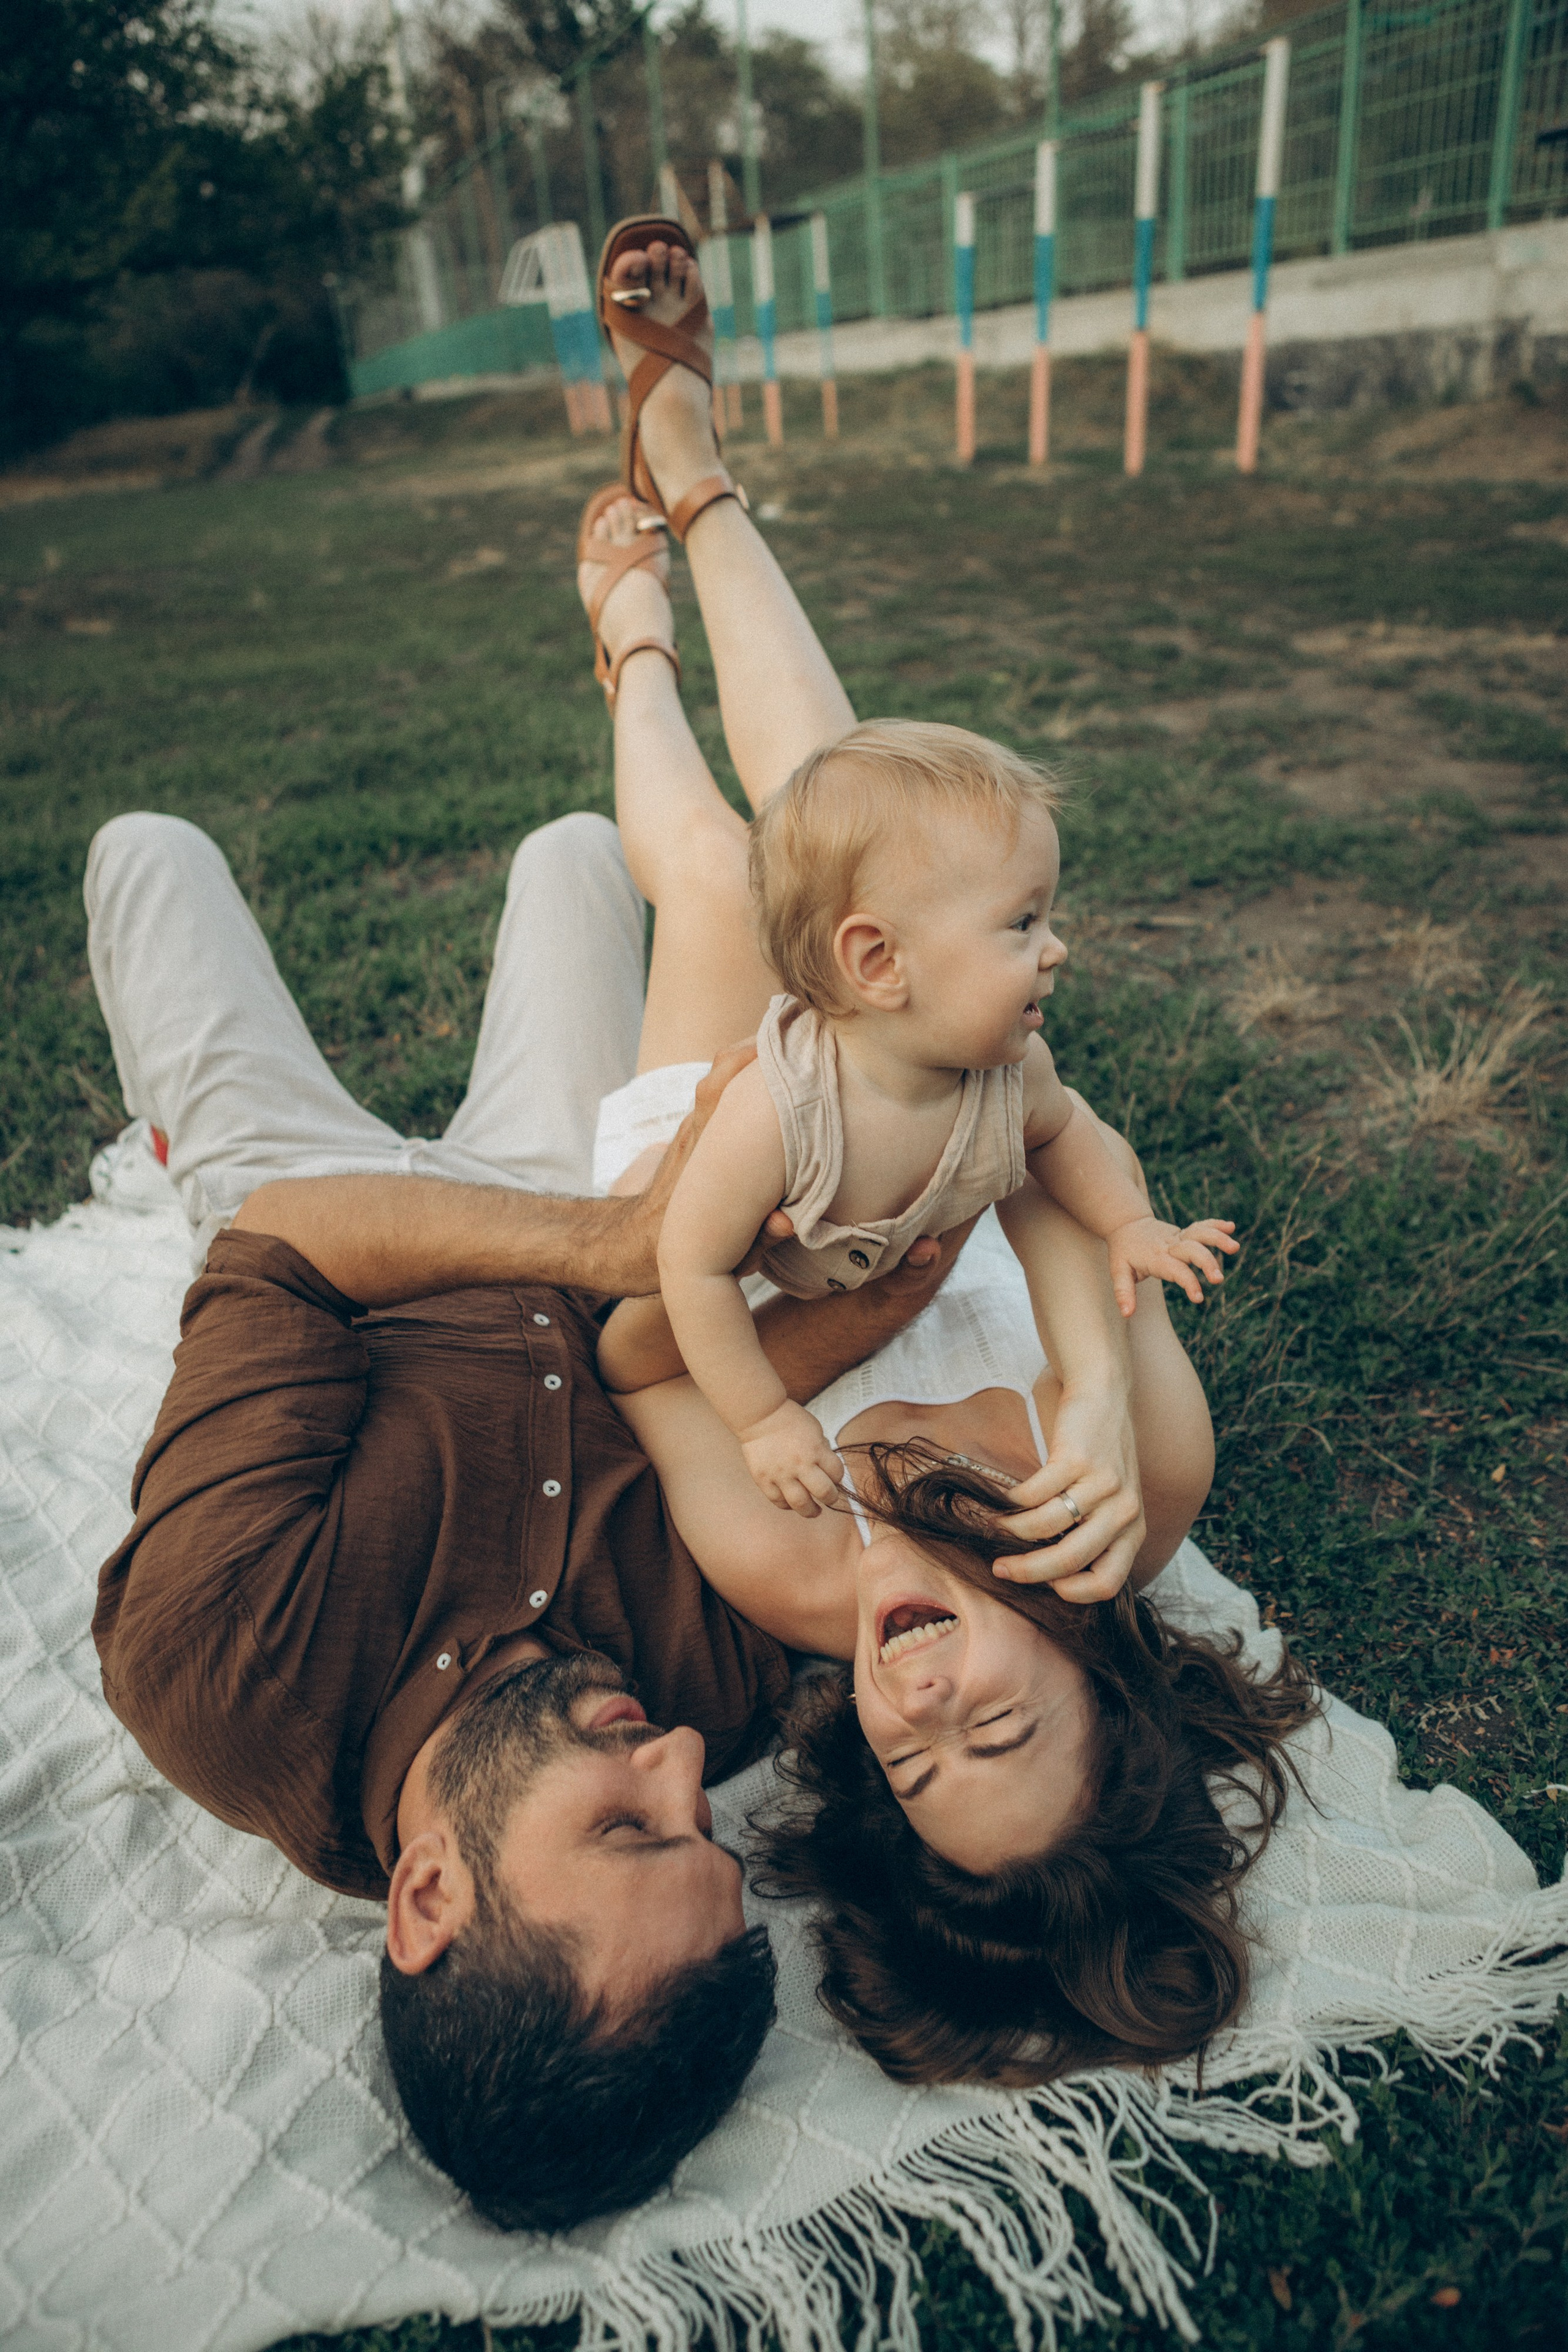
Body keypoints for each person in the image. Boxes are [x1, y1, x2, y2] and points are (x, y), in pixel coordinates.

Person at [579, 227, 1318, 2092]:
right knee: (830, 799)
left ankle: (633, 649)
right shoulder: (1135, 1494)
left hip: (722, 1207)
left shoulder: (785, 1562)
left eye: (910, 1764)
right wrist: (1090, 1382)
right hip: (923, 1148)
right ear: (1103, 1681)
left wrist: (810, 1366)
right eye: (997, 1732)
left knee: (706, 876)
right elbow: (1065, 1206)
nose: (920, 1705)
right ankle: (697, 468)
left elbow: (642, 1352)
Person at [83, 772, 957, 2215]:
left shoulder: (221, 1667)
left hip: (334, 1203)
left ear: (429, 1896)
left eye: (624, 1825)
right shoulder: (714, 1690)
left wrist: (620, 1240)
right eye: (699, 1830)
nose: (683, 1760)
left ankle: (172, 1134)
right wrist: (871, 1300)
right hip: (561, 1195)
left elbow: (284, 1248)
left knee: (146, 847)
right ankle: (624, 646)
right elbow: (677, 1387)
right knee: (573, 852)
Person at [656, 720, 1238, 1518]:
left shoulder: (1012, 1071)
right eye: (1023, 922)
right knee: (625, 1346)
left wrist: (1129, 1221)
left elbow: (1062, 1136)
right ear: (880, 964)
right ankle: (640, 662)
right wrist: (761, 1420)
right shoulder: (775, 1118)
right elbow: (693, 1269)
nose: (1058, 948)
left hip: (856, 1268)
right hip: (689, 1210)